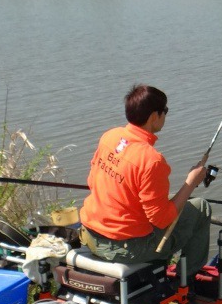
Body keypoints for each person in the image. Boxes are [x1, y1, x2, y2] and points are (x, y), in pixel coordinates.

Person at [79, 84, 212, 276]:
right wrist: (190, 182)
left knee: (174, 200)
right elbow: (161, 220)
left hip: (90, 235)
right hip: (126, 249)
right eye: (164, 111)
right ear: (153, 117)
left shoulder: (110, 136)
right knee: (200, 207)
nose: (166, 115)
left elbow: (93, 181)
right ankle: (186, 281)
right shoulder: (152, 160)